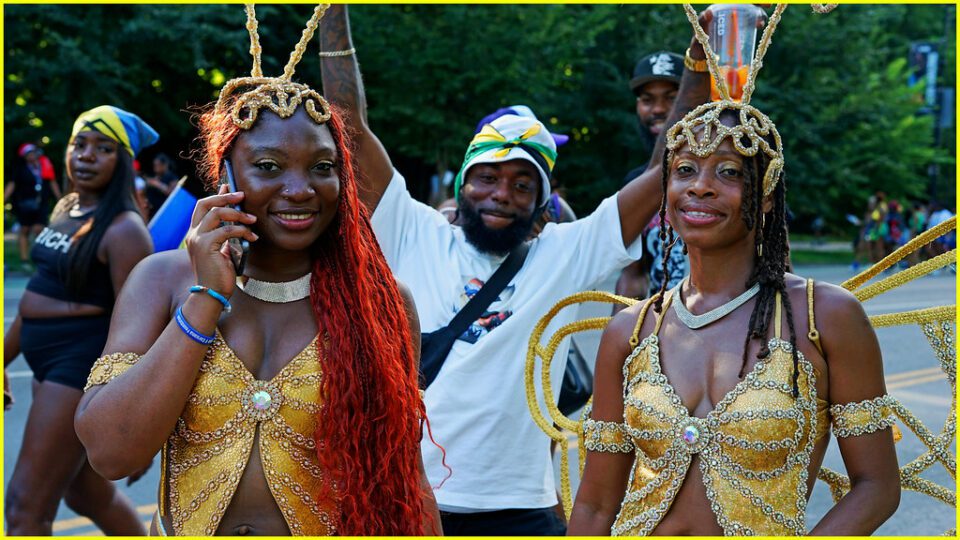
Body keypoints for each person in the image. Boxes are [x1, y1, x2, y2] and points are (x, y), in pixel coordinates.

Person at [319, 5, 710, 534]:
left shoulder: (565, 254)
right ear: (461, 184)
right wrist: (332, 13)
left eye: (522, 185)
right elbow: (347, 125)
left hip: (522, 510)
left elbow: (666, 165)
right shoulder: (414, 232)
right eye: (486, 177)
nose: (500, 195)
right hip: (409, 501)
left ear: (542, 204)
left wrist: (701, 60)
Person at [74, 6, 440, 536]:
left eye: (322, 168)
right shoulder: (162, 280)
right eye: (269, 167)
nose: (300, 189)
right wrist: (205, 299)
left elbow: (405, 477)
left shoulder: (381, 302)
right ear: (224, 175)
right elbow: (111, 452)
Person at [567, 6, 900, 535]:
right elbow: (593, 508)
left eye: (727, 172)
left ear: (765, 194)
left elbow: (877, 486)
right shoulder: (629, 332)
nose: (700, 186)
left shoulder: (824, 317)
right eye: (684, 171)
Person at [3, 106, 157, 535]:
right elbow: (38, 294)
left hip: (76, 373)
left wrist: (141, 428)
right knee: (86, 494)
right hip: (44, 365)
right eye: (79, 144)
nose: (86, 155)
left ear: (122, 161)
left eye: (103, 148)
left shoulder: (125, 231)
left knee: (23, 508)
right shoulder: (66, 208)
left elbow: (142, 330)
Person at [615, 51, 689, 306]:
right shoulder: (636, 183)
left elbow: (780, 263)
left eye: (673, 98)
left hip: (738, 333)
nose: (658, 109)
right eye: (648, 100)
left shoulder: (738, 171)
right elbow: (633, 276)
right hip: (667, 333)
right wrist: (621, 343)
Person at [5, 143, 62, 269]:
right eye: (29, 153)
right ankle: (24, 260)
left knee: (39, 230)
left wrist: (60, 199)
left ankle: (39, 258)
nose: (32, 155)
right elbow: (12, 184)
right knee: (24, 230)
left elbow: (52, 182)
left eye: (33, 153)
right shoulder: (20, 169)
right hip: (24, 204)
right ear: (24, 156)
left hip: (41, 204)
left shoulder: (45, 166)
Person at [145, 152, 179, 219]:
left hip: (161, 211)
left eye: (157, 165)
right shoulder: (155, 176)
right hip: (149, 209)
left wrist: (157, 184)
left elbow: (172, 192)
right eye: (154, 165)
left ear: (164, 165)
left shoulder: (172, 177)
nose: (155, 168)